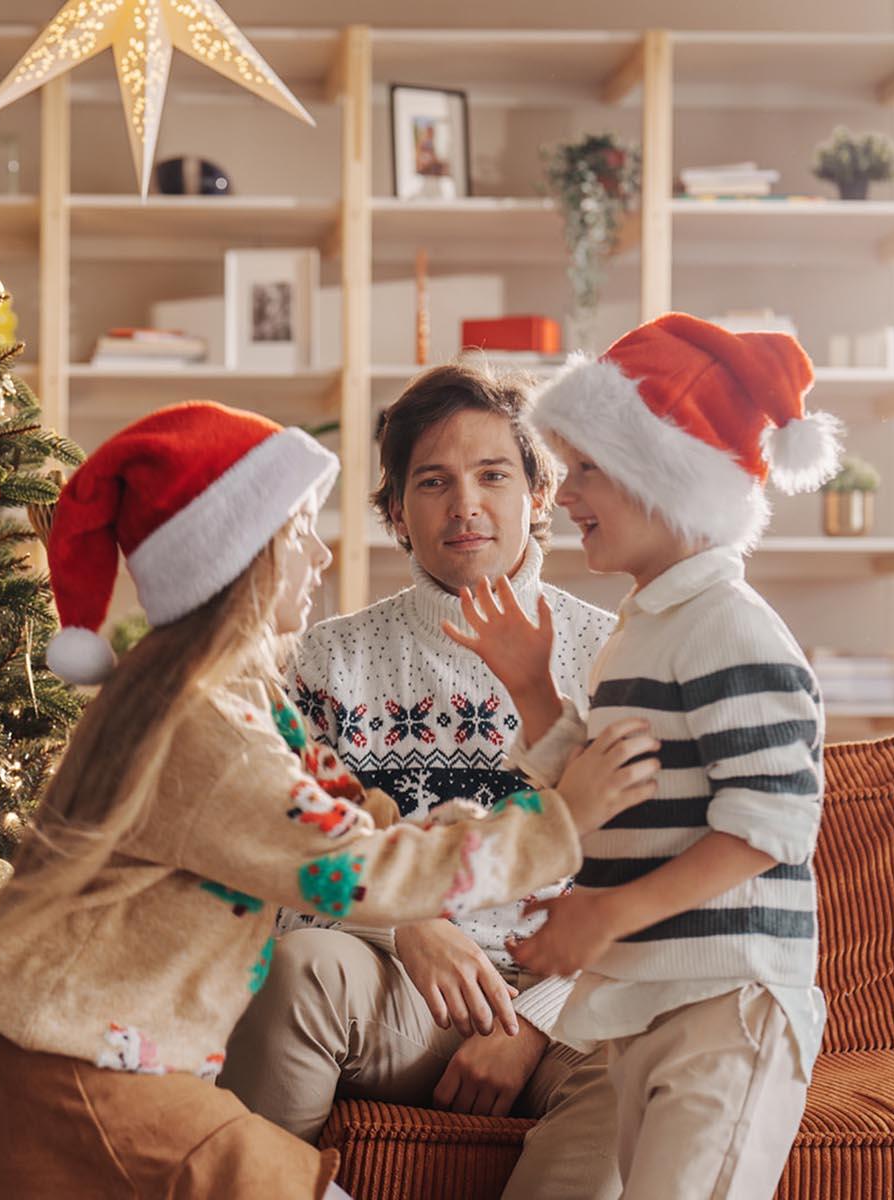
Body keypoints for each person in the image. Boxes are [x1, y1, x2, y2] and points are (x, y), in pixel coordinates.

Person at [0, 401, 651, 1199]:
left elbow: (337, 818)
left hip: (73, 1047)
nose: (323, 553)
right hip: (78, 1067)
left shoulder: (220, 693)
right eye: (301, 533)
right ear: (248, 557)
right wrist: (559, 822)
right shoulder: (213, 727)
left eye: (493, 475)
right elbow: (343, 867)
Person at [220, 366, 643, 1200]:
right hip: (395, 997)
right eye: (433, 482)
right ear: (394, 513)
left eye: (494, 476)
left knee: (650, 1056)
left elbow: (649, 879)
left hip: (566, 1006)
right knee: (299, 970)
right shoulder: (324, 661)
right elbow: (278, 861)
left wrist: (531, 1021)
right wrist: (403, 920)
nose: (467, 506)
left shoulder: (615, 652)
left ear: (541, 495)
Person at [444, 313, 838, 1200]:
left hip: (728, 1004)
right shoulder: (647, 627)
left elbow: (769, 824)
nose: (565, 488)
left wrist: (604, 916)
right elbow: (605, 789)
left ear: (673, 479)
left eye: (589, 467)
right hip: (656, 1001)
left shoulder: (730, 628)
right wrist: (535, 689)